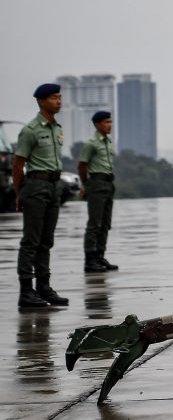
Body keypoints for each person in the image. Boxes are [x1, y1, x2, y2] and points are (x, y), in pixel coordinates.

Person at [13, 83, 70, 308]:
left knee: (46, 241)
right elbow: (18, 165)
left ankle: (43, 287)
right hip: (35, 186)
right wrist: (20, 193)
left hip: (53, 186)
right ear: (41, 101)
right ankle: (26, 291)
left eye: (59, 97)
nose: (59, 101)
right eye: (54, 97)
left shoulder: (57, 129)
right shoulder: (30, 130)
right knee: (31, 240)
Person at [78, 110, 119, 273]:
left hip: (108, 184)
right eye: (106, 122)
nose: (109, 125)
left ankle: (100, 256)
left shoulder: (108, 142)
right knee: (94, 224)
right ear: (97, 124)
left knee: (105, 224)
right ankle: (90, 260)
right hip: (96, 183)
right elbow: (82, 166)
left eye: (110, 122)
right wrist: (86, 185)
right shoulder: (91, 143)